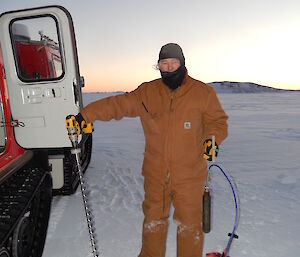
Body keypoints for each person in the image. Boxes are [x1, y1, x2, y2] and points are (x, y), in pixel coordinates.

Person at [75, 43, 228, 257]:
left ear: (182, 64)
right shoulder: (148, 91)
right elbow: (119, 104)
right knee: (153, 222)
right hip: (156, 173)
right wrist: (86, 114)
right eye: (164, 64)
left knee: (190, 226)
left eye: (173, 63)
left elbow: (217, 122)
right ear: (159, 66)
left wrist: (212, 139)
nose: (168, 68)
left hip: (190, 174)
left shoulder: (203, 93)